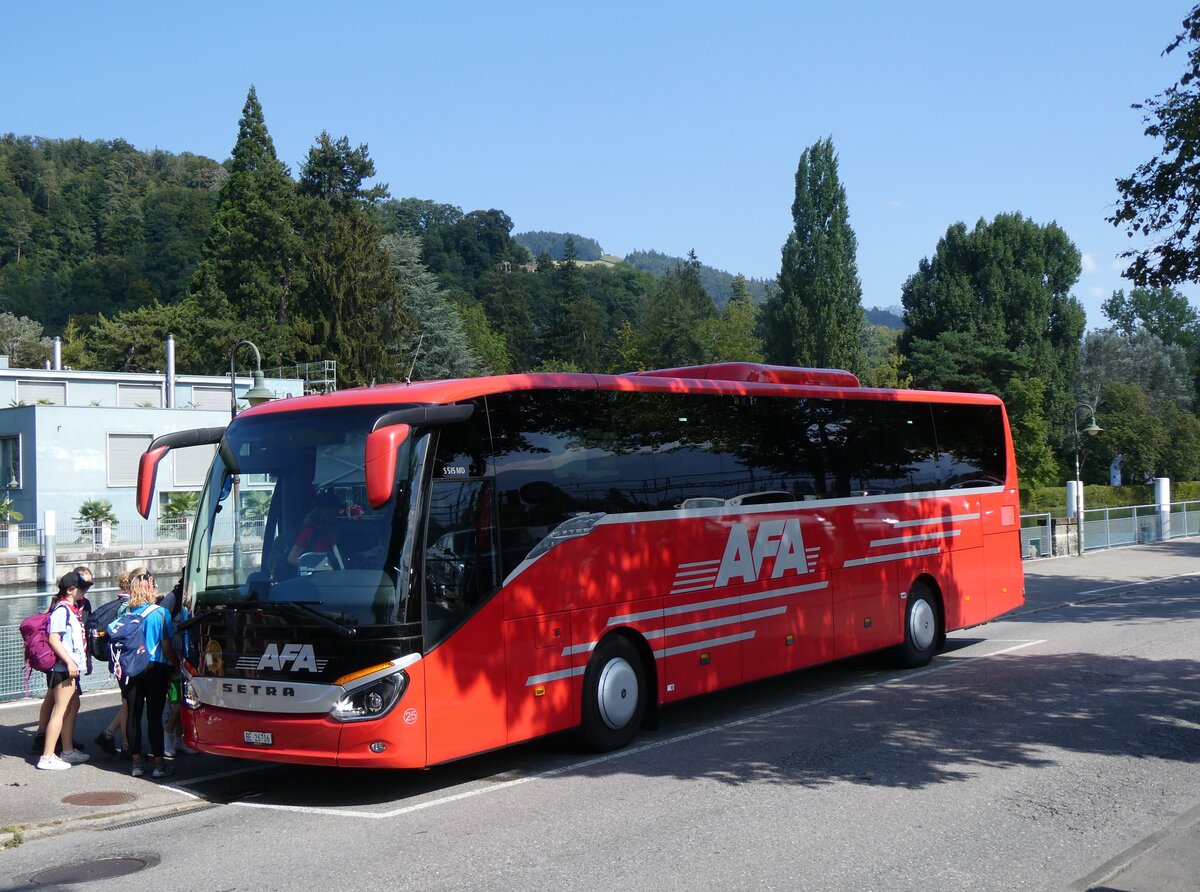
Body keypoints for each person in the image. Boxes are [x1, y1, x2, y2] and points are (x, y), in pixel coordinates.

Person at [117, 572, 177, 779]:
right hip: (155, 667)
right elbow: (167, 646)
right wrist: (175, 663)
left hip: (131, 668)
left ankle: (136, 763)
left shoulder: (124, 612)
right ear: (151, 589)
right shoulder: (160, 613)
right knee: (153, 716)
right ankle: (159, 764)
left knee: (133, 715)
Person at [31, 565, 93, 756]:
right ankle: (48, 753)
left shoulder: (76, 607)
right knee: (62, 708)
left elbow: (80, 636)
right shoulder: (62, 609)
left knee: (67, 706)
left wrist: (85, 660)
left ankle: (65, 748)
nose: (85, 590)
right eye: (83, 586)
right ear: (71, 589)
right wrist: (69, 662)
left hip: (68, 664)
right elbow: (54, 638)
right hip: (62, 665)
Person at [93, 566, 141, 758]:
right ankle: (126, 744)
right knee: (128, 704)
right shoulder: (127, 605)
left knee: (126, 703)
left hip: (120, 659)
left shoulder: (122, 602)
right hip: (126, 659)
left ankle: (109, 735)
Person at [286, 490, 344, 570]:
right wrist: (316, 567)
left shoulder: (331, 531)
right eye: (335, 509)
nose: (337, 512)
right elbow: (292, 558)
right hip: (314, 579)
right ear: (325, 511)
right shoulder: (309, 530)